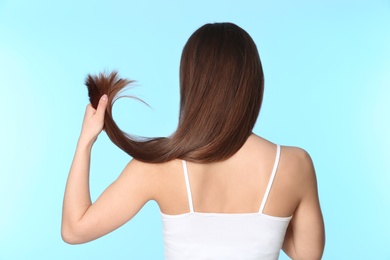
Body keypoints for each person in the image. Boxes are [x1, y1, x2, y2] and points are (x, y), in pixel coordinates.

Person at [62, 23, 325, 259]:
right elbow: (307, 254)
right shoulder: (294, 164)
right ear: (252, 84)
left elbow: (75, 230)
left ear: (191, 83)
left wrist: (86, 141)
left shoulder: (160, 166)